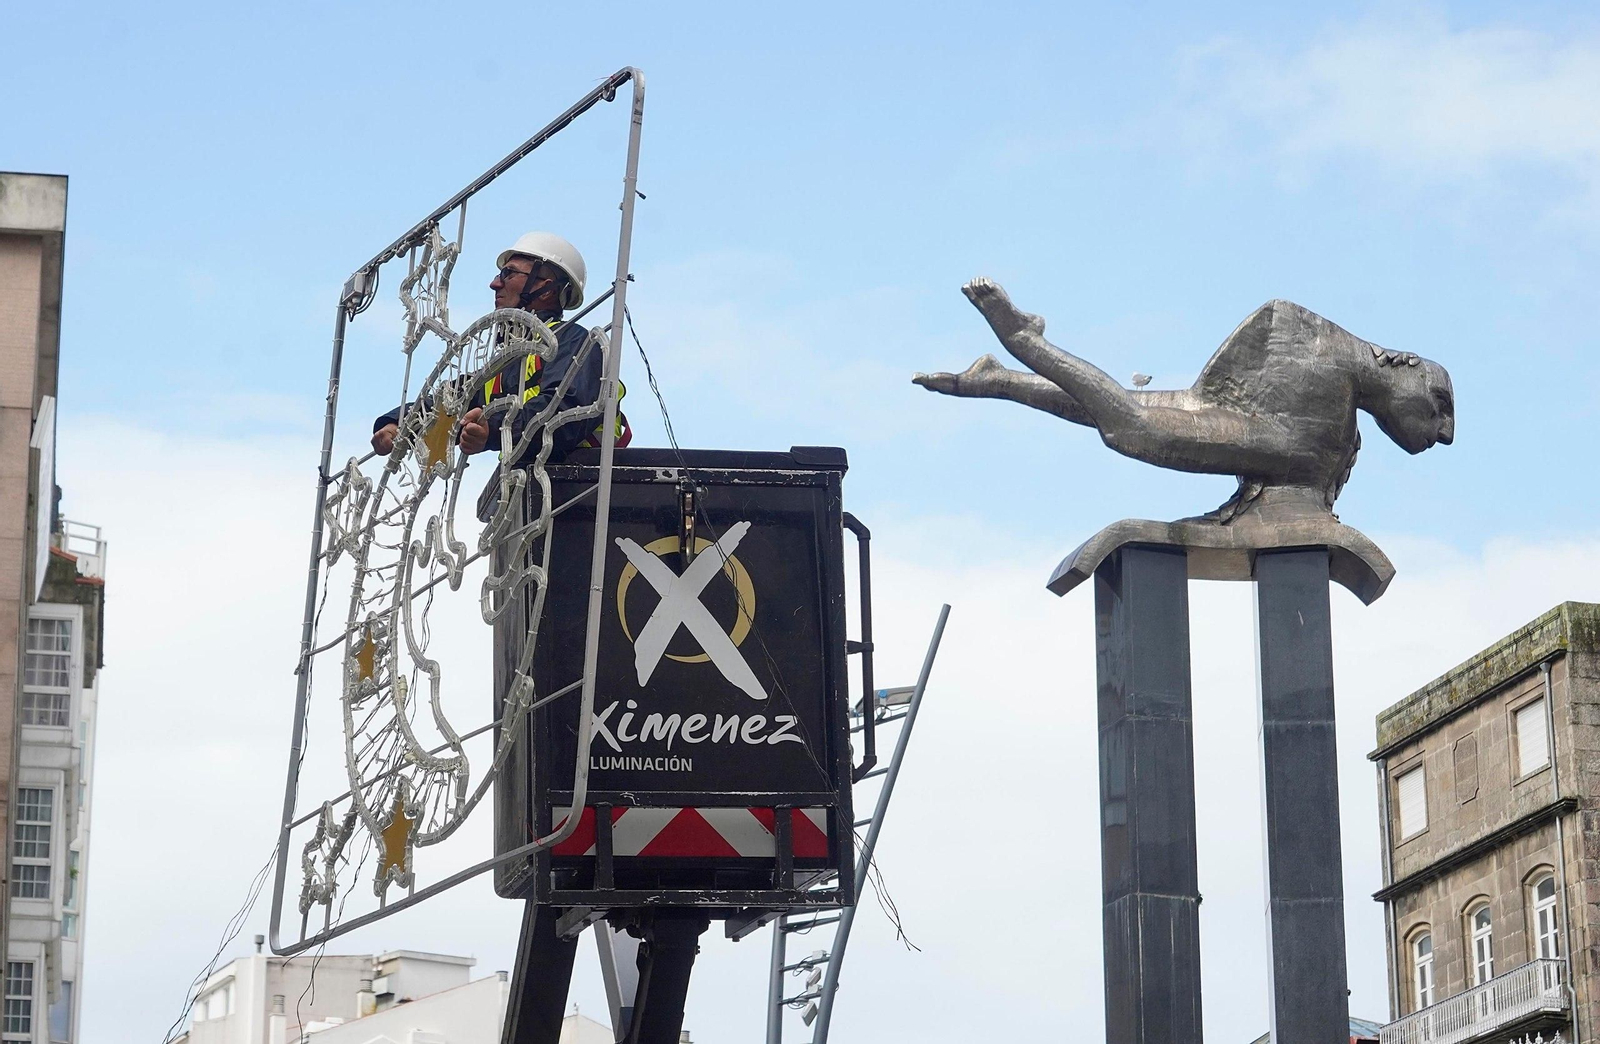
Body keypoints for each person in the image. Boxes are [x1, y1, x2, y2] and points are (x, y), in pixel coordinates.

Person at [371, 231, 630, 464]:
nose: (495, 284)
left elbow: (567, 412)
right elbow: (448, 402)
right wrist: (398, 424)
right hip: (525, 486)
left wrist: (494, 429)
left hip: (581, 482)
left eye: (509, 274)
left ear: (546, 288)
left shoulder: (573, 341)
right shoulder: (504, 366)